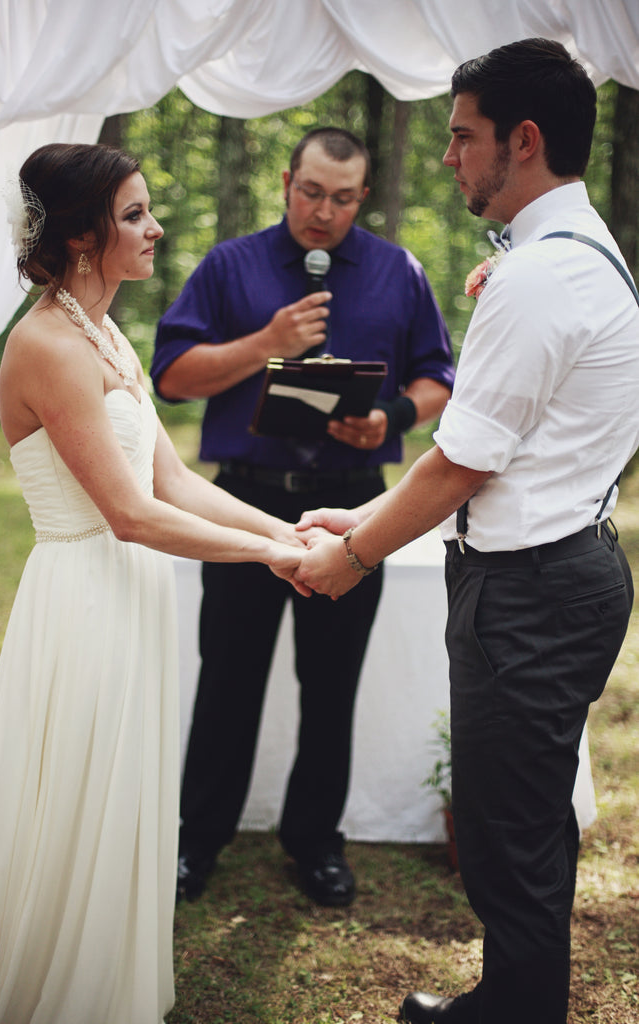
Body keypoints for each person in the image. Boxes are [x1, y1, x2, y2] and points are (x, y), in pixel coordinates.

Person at [296, 39, 639, 1024]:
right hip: (556, 566)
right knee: (515, 824)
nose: (447, 156)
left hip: (529, 593)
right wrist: (361, 511)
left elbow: (460, 464)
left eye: (461, 136)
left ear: (521, 142)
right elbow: (488, 449)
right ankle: (511, 997)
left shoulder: (537, 279)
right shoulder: (578, 255)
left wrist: (349, 557)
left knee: (508, 831)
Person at [0, 142, 311, 1024]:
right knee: (79, 793)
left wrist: (287, 529)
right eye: (134, 215)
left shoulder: (104, 329)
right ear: (82, 237)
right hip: (85, 600)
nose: (155, 229)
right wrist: (275, 560)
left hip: (134, 594)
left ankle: (105, 978)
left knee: (125, 790)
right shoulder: (45, 343)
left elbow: (177, 484)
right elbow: (129, 513)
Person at [151, 126, 454, 907]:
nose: (323, 213)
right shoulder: (230, 265)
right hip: (245, 502)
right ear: (287, 180)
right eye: (311, 192)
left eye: (343, 199)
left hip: (355, 507)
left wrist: (390, 418)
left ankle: (315, 842)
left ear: (361, 197)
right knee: (228, 677)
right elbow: (174, 378)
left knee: (330, 684)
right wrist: (266, 342)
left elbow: (438, 380)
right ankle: (197, 840)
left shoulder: (398, 271)